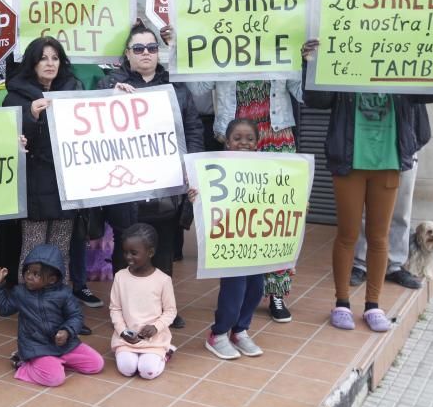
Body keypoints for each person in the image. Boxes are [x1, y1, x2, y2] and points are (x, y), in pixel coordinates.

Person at [301, 34, 433, 332]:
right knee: (347, 235)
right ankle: (342, 303)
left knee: (379, 236)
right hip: (349, 163)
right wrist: (310, 63)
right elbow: (316, 99)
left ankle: (373, 305)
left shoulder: (401, 69)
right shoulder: (342, 64)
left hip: (387, 164)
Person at [165, 23, 301, 323]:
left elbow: (302, 93)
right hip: (235, 142)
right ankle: (236, 288)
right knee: (239, 220)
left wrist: (308, 61)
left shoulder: (282, 50)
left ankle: (277, 292)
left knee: (274, 218)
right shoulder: (221, 52)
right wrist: (179, 48)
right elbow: (198, 91)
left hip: (276, 141)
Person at [99, 23, 204, 329]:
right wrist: (110, 96)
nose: (146, 53)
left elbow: (193, 127)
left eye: (152, 48)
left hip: (166, 184)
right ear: (127, 55)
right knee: (127, 248)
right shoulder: (111, 83)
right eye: (139, 48)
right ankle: (123, 311)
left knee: (166, 249)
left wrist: (190, 166)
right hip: (126, 187)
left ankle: (163, 311)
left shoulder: (175, 86)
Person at [3, 37, 84, 270]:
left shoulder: (73, 92)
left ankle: (57, 301)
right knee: (33, 251)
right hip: (34, 186)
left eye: (55, 58)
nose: (50, 63)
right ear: (32, 63)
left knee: (60, 251)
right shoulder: (15, 97)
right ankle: (31, 303)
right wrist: (31, 116)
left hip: (66, 186)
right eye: (43, 58)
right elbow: (7, 142)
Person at [192, 119, 267, 360]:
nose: (243, 143)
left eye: (250, 139)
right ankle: (219, 333)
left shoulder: (266, 169)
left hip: (255, 241)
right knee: (234, 289)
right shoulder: (216, 168)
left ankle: (241, 330)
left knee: (256, 288)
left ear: (257, 144)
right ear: (226, 142)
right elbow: (206, 197)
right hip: (230, 241)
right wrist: (196, 195)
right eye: (237, 138)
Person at [0, 244, 104, 387]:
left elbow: (76, 316)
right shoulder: (20, 293)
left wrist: (67, 331)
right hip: (37, 346)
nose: (29, 276)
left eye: (36, 274)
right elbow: (4, 309)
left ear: (52, 279)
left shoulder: (65, 293)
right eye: (28, 271)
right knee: (55, 379)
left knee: (96, 364)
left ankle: (55, 362)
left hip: (65, 344)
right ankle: (23, 365)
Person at [109, 223, 177, 379]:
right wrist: (122, 331)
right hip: (127, 339)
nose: (128, 257)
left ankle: (165, 353)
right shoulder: (120, 277)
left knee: (148, 372)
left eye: (134, 253)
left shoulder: (163, 280)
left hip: (154, 339)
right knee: (127, 369)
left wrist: (156, 327)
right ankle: (135, 354)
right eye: (125, 252)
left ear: (150, 252)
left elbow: (170, 311)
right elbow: (115, 309)